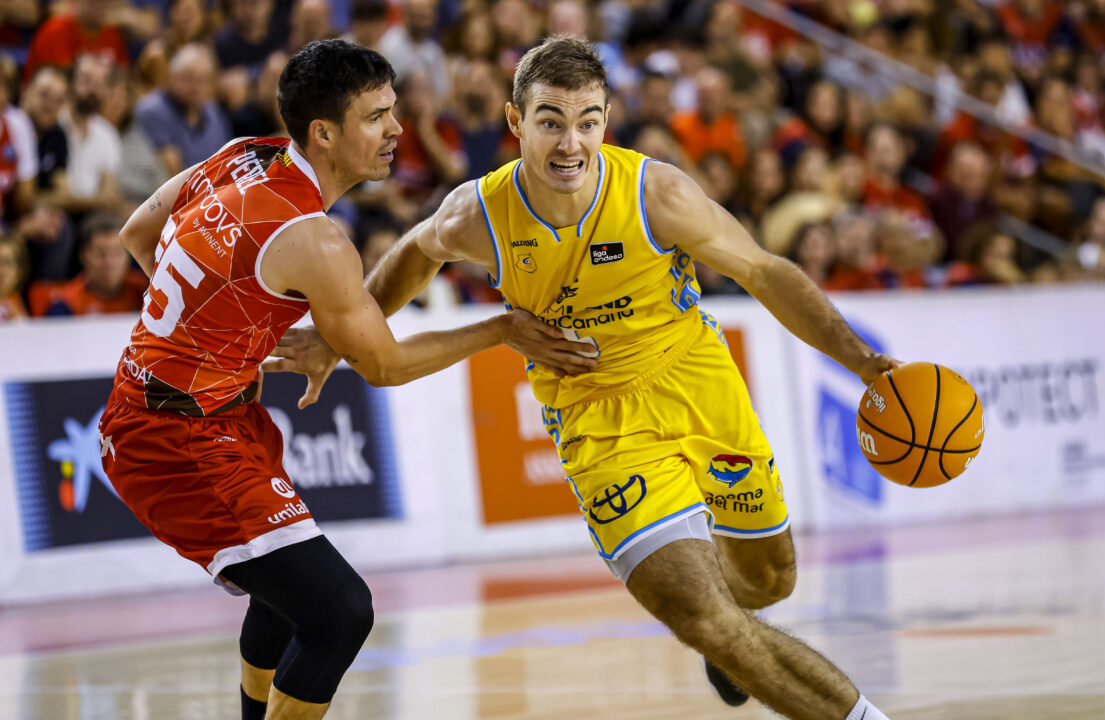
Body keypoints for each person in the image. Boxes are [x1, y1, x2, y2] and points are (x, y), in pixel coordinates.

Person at [273, 36, 897, 720]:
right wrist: (342, 336)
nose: (570, 143)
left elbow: (766, 272)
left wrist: (864, 362)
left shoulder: (654, 192)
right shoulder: (479, 213)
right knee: (701, 616)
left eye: (587, 121)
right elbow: (416, 253)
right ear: (516, 122)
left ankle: (733, 644)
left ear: (607, 119)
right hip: (595, 417)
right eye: (550, 121)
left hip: (696, 382)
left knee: (769, 582)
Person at [97, 39, 594, 720]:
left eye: (393, 110)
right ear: (324, 133)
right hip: (175, 437)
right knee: (340, 613)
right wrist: (501, 329)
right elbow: (384, 366)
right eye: (377, 117)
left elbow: (139, 230)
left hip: (200, 411)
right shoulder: (316, 240)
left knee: (290, 595)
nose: (397, 129)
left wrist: (218, 338)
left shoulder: (241, 156)